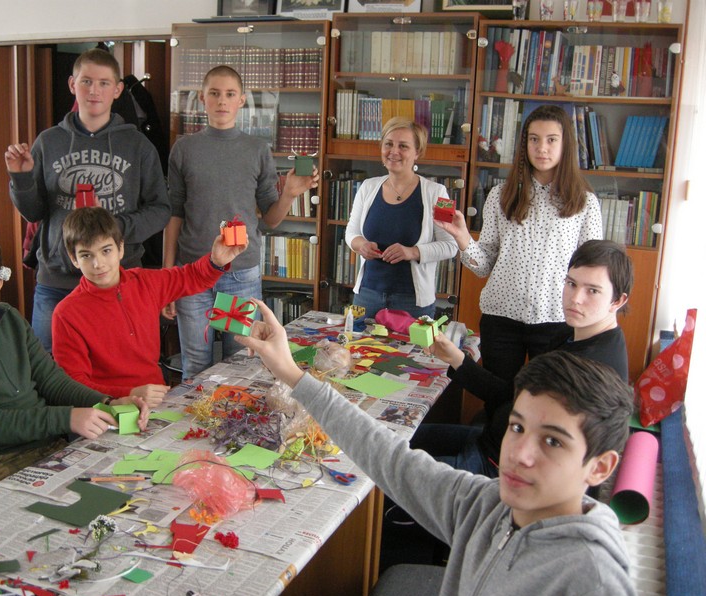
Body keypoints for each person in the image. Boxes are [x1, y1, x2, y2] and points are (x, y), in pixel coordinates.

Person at [238, 301, 637, 596]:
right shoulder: (484, 505)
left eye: (553, 441)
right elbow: (388, 456)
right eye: (517, 427)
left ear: (600, 467)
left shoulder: (594, 580)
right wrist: (291, 372)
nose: (520, 453)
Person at [0, 232, 149, 501]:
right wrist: (66, 418)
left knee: (131, 491)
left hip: (48, 448)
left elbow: (52, 381)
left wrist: (107, 402)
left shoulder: (9, 319)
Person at [411, 239, 633, 477]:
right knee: (399, 439)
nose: (575, 298)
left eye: (592, 290)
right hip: (489, 441)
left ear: (618, 301)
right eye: (571, 283)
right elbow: (514, 395)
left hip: (501, 467)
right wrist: (457, 359)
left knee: (394, 473)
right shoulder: (571, 332)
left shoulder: (594, 366)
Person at [5, 48, 170, 352]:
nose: (94, 91)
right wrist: (21, 177)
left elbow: (160, 210)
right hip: (57, 281)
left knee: (119, 364)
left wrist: (113, 228)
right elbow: (33, 212)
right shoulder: (48, 142)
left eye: (104, 83)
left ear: (117, 90)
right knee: (49, 368)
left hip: (119, 280)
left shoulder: (138, 145)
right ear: (72, 84)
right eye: (86, 82)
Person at [163, 65, 319, 379]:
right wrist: (168, 277)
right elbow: (174, 214)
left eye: (230, 94)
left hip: (238, 275)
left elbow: (270, 219)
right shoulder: (184, 149)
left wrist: (289, 193)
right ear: (202, 98)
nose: (222, 101)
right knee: (195, 364)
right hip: (193, 274)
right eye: (215, 93)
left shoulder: (256, 150)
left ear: (241, 100)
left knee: (238, 362)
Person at [439, 104, 602, 382]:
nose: (542, 148)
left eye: (551, 140)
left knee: (546, 400)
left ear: (565, 145)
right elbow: (483, 266)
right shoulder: (500, 195)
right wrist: (463, 238)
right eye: (534, 139)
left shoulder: (584, 202)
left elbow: (593, 270)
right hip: (501, 318)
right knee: (497, 398)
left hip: (557, 320)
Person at [52, 207, 247, 406]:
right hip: (107, 409)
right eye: (86, 255)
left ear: (121, 249)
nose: (98, 264)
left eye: (106, 251)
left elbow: (191, 277)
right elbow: (72, 385)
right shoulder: (67, 313)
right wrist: (127, 394)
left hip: (157, 400)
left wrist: (215, 262)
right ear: (74, 259)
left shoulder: (144, 282)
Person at [345, 117, 458, 319]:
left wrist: (412, 252)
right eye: (388, 144)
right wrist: (361, 244)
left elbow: (451, 245)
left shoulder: (439, 193)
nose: (394, 151)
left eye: (403, 146)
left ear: (417, 152)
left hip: (413, 302)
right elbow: (351, 233)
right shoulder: (367, 187)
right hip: (367, 295)